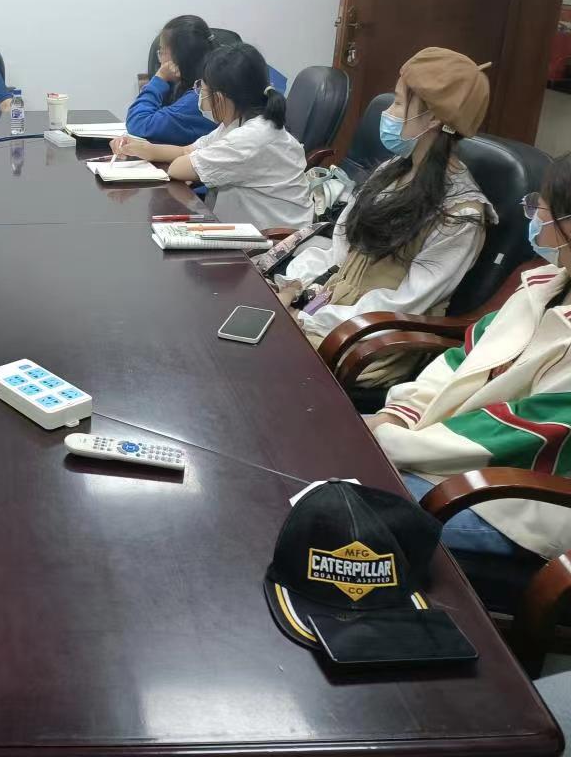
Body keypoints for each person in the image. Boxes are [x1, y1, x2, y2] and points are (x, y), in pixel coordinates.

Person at [366, 154, 571, 602]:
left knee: (356, 506)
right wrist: (398, 416)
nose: (534, 218)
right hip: (448, 456)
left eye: (542, 207)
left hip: (521, 499)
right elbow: (462, 361)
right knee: (327, 458)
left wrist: (394, 443)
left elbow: (524, 430)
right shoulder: (544, 285)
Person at [276, 48, 495, 383]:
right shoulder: (394, 170)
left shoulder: (461, 214)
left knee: (262, 362)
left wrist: (307, 318)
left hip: (368, 340)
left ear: (433, 118)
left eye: (398, 103)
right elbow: (340, 251)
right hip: (327, 308)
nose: (387, 113)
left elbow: (405, 303)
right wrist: (293, 287)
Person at [110, 41, 311, 230]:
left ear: (220, 98)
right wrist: (142, 148)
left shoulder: (249, 138)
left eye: (202, 88)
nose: (199, 94)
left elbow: (178, 167)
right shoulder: (239, 124)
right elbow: (186, 150)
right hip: (255, 229)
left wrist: (180, 160)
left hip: (278, 241)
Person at [125, 15, 217, 145]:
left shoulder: (199, 99)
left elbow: (138, 122)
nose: (159, 60)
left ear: (180, 58)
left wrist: (159, 79)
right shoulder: (201, 84)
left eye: (162, 52)